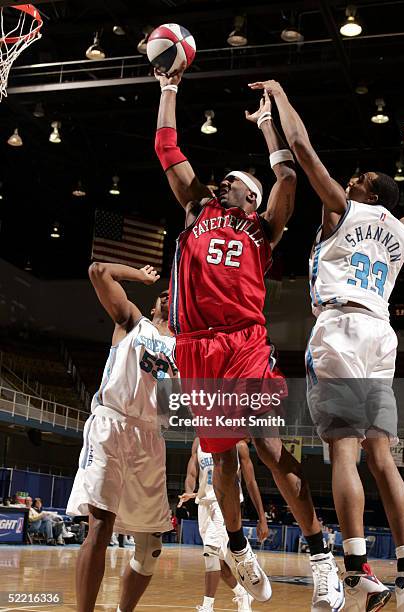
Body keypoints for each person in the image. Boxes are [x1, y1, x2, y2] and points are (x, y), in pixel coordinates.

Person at [154, 66, 343, 610]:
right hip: (196, 349)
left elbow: (287, 180)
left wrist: (267, 127)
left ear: (249, 195)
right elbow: (166, 146)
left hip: (244, 342)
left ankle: (322, 557)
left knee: (266, 444)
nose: (225, 182)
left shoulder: (263, 228)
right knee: (224, 461)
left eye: (236, 181)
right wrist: (168, 87)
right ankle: (237, 549)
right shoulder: (195, 210)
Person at [250, 78, 404, 611]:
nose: (353, 179)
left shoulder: (346, 206)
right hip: (381, 334)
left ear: (371, 196)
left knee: (344, 450)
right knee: (381, 457)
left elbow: (301, 150)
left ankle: (358, 569)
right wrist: (266, 125)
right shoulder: (400, 231)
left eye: (362, 180)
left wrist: (280, 97)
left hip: (341, 328)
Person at [66, 263, 178, 612]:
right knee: (100, 526)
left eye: (173, 293)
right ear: (152, 307)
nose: (166, 294)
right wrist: (139, 276)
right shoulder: (132, 321)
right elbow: (98, 272)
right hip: (112, 424)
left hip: (150, 437)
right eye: (160, 293)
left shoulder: (187, 347)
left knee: (150, 548)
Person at [179, 438, 267, 612]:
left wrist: (262, 517)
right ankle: (242, 593)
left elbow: (251, 482)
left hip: (226, 503)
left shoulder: (239, 446)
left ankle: (207, 606)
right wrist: (189, 492)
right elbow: (191, 474)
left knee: (210, 553)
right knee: (221, 563)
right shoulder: (198, 442)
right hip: (204, 505)